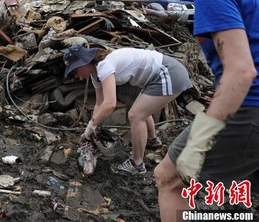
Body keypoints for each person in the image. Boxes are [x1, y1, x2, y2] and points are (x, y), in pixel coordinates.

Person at [154, 0, 259, 221]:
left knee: (169, 179)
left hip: (249, 106)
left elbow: (242, 70)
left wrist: (201, 141)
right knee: (239, 192)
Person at [63, 44, 192, 175]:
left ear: (83, 63)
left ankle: (137, 164)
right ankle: (152, 141)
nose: (77, 76)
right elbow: (99, 103)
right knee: (140, 110)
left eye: (75, 71)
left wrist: (91, 125)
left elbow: (110, 103)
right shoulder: (95, 74)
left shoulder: (104, 65)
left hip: (168, 72)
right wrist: (93, 126)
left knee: (135, 115)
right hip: (160, 76)